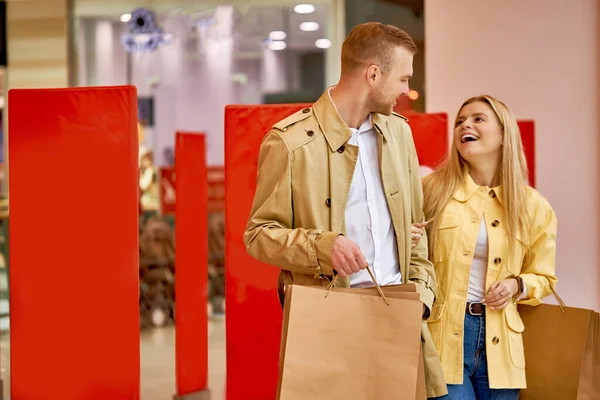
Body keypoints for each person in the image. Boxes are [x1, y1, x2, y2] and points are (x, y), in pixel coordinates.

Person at [243, 22, 447, 398]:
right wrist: (324, 247)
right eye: (402, 79)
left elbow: (416, 231)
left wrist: (422, 298)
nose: (406, 91)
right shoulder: (290, 142)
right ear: (373, 74)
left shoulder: (399, 133)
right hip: (327, 316)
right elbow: (258, 235)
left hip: (398, 313)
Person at [414, 95, 558, 399]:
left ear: (504, 133)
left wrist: (517, 284)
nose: (465, 124)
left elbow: (544, 278)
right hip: (442, 338)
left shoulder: (533, 206)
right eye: (460, 121)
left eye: (478, 118)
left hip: (502, 345)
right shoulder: (431, 191)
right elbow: (407, 258)